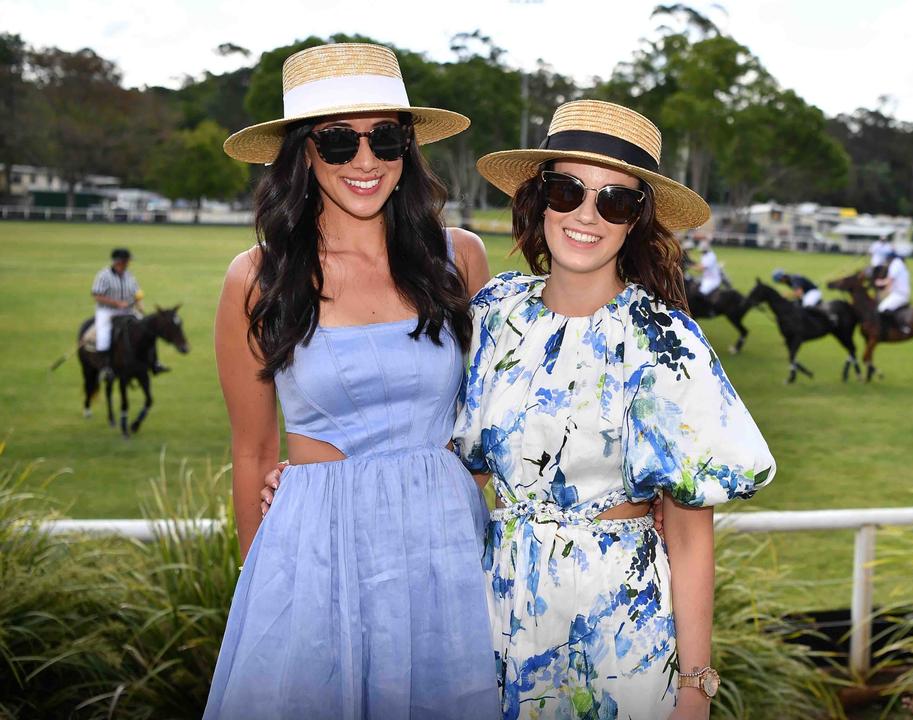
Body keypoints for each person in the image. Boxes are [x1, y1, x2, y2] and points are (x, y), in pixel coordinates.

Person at [205, 43, 497, 719]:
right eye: (338, 142)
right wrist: (261, 590)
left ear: (407, 148)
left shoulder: (461, 260)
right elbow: (251, 452)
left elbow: (498, 420)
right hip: (315, 557)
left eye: (385, 138)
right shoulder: (257, 277)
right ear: (303, 153)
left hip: (447, 552)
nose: (365, 161)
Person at [459, 99, 776, 718]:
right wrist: (317, 478)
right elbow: (457, 465)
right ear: (538, 199)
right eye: (566, 190)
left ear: (637, 220)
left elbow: (688, 535)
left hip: (618, 631)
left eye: (616, 200)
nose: (587, 215)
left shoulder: (666, 342)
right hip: (492, 613)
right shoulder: (495, 313)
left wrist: (695, 686)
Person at [90, 248, 167, 373]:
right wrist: (116, 303)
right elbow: (96, 295)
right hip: (107, 312)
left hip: (128, 311)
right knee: (103, 335)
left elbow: (136, 293)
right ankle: (105, 367)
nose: (129, 263)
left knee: (148, 330)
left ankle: (154, 362)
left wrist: (139, 304)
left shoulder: (129, 276)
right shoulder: (103, 276)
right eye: (127, 261)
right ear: (119, 261)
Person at [874, 251, 912, 339]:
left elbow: (890, 280)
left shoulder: (895, 264)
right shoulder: (900, 265)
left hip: (899, 294)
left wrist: (880, 283)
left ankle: (902, 326)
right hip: (900, 293)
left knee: (882, 308)